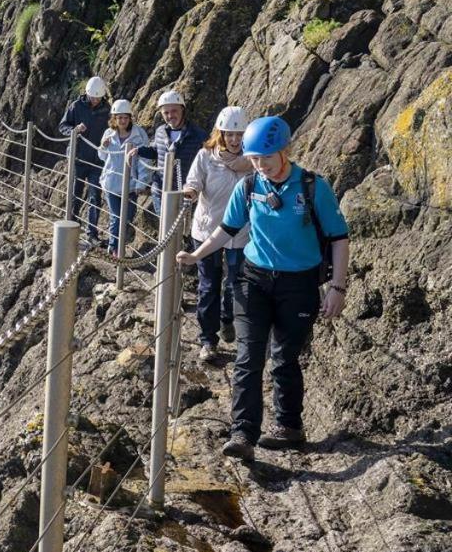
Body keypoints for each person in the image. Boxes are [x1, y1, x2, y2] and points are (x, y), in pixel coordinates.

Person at [176, 116, 350, 461]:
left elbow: (339, 238)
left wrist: (337, 287)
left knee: (284, 358)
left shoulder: (314, 186)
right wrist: (196, 255)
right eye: (255, 158)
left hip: (299, 284)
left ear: (285, 150)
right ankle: (243, 433)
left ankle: (289, 427)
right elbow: (226, 229)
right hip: (254, 279)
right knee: (248, 356)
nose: (260, 164)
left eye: (266, 157)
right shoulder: (250, 186)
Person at [183, 106, 252, 365]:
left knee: (235, 284)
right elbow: (194, 181)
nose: (234, 140)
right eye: (229, 134)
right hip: (208, 230)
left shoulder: (253, 161)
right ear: (220, 134)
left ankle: (226, 319)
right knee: (209, 286)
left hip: (240, 234)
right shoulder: (205, 157)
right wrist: (190, 191)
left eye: (239, 134)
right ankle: (208, 340)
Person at [136, 89, 207, 214]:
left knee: (178, 230)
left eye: (174, 111)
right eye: (166, 113)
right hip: (160, 190)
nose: (170, 116)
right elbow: (155, 151)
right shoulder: (160, 131)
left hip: (185, 192)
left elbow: (207, 160)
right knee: (165, 227)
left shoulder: (198, 135)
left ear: (182, 110)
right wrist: (137, 150)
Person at [59, 76, 111, 244]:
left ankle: (92, 234)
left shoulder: (107, 109)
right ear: (87, 94)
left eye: (98, 97)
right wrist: (75, 130)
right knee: (76, 194)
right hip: (78, 159)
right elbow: (63, 126)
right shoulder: (76, 106)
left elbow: (113, 129)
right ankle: (73, 228)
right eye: (93, 97)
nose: (95, 100)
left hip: (97, 161)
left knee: (95, 196)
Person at [97, 99, 149, 256]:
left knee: (127, 217)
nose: (122, 120)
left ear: (130, 117)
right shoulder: (108, 134)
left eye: (125, 117)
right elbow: (102, 157)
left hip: (130, 184)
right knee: (116, 217)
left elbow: (145, 161)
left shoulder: (139, 135)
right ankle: (114, 249)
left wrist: (141, 182)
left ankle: (119, 245)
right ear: (114, 118)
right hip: (112, 182)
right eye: (119, 117)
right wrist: (103, 147)